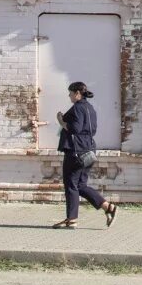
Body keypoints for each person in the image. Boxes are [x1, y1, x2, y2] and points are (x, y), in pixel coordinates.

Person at [54, 81, 119, 229]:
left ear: (77, 93)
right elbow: (92, 130)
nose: (69, 95)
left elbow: (74, 128)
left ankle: (71, 220)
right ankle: (108, 207)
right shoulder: (90, 108)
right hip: (89, 150)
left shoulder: (77, 108)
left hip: (76, 151)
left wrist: (61, 121)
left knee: (71, 184)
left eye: (71, 93)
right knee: (80, 185)